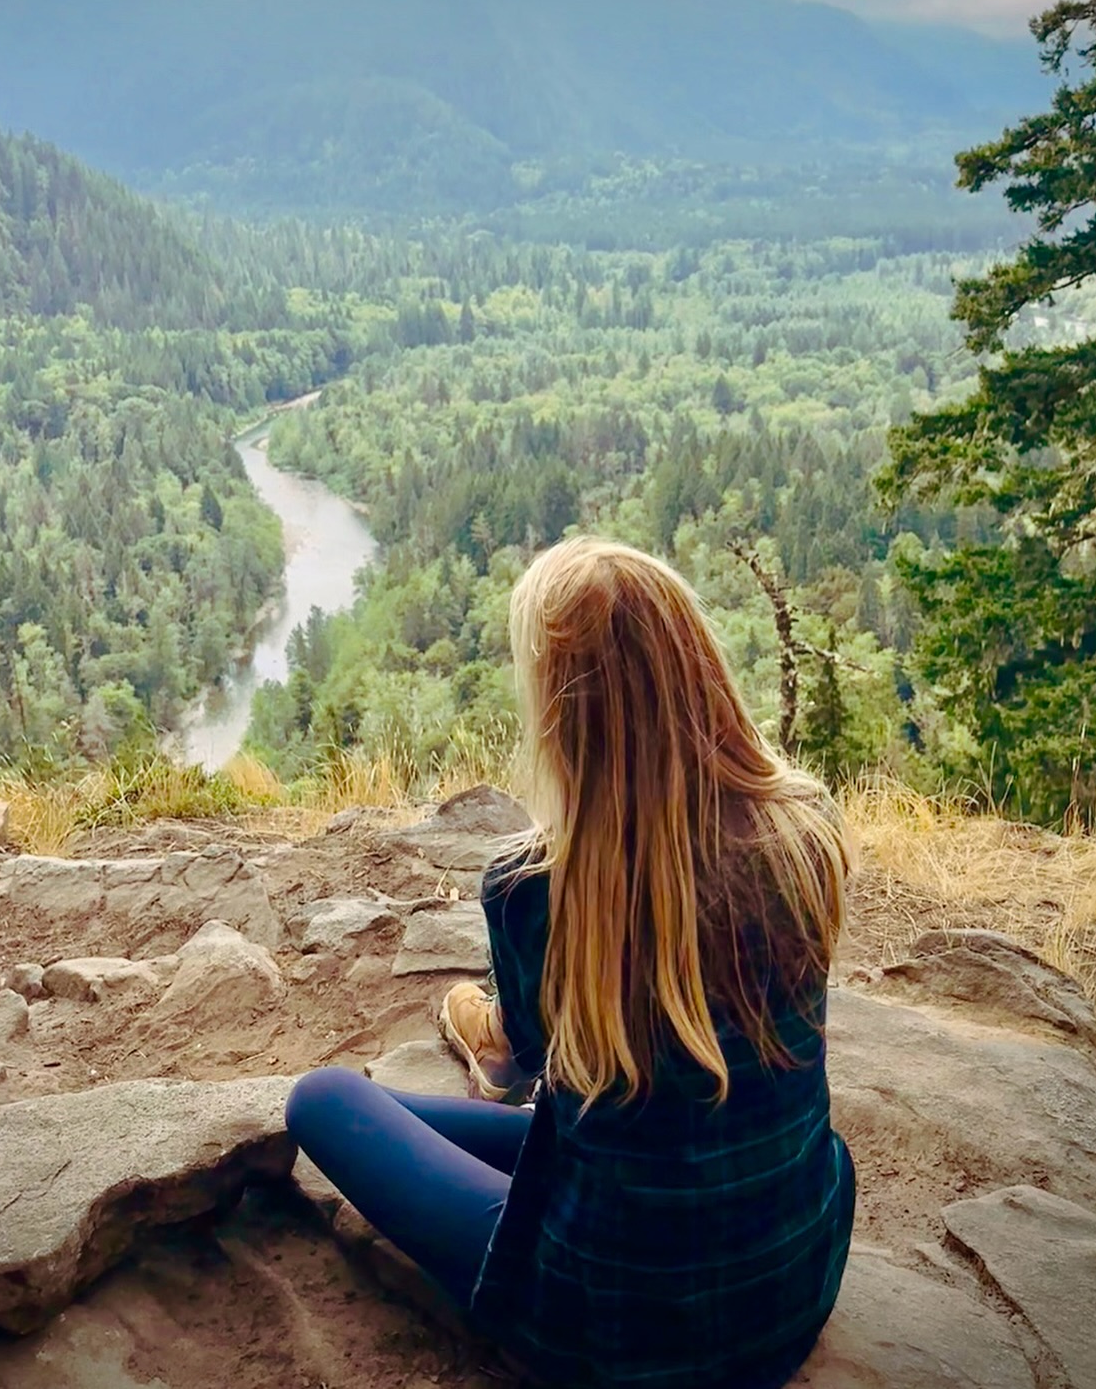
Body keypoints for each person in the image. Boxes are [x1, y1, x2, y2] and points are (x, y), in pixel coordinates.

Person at [285, 536, 855, 1388]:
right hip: (792, 1277)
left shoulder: (535, 888)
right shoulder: (804, 831)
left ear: (559, 705)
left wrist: (497, 1032)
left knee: (325, 1099)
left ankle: (459, 1048)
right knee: (627, 1132)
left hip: (605, 1323)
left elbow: (519, 1066)